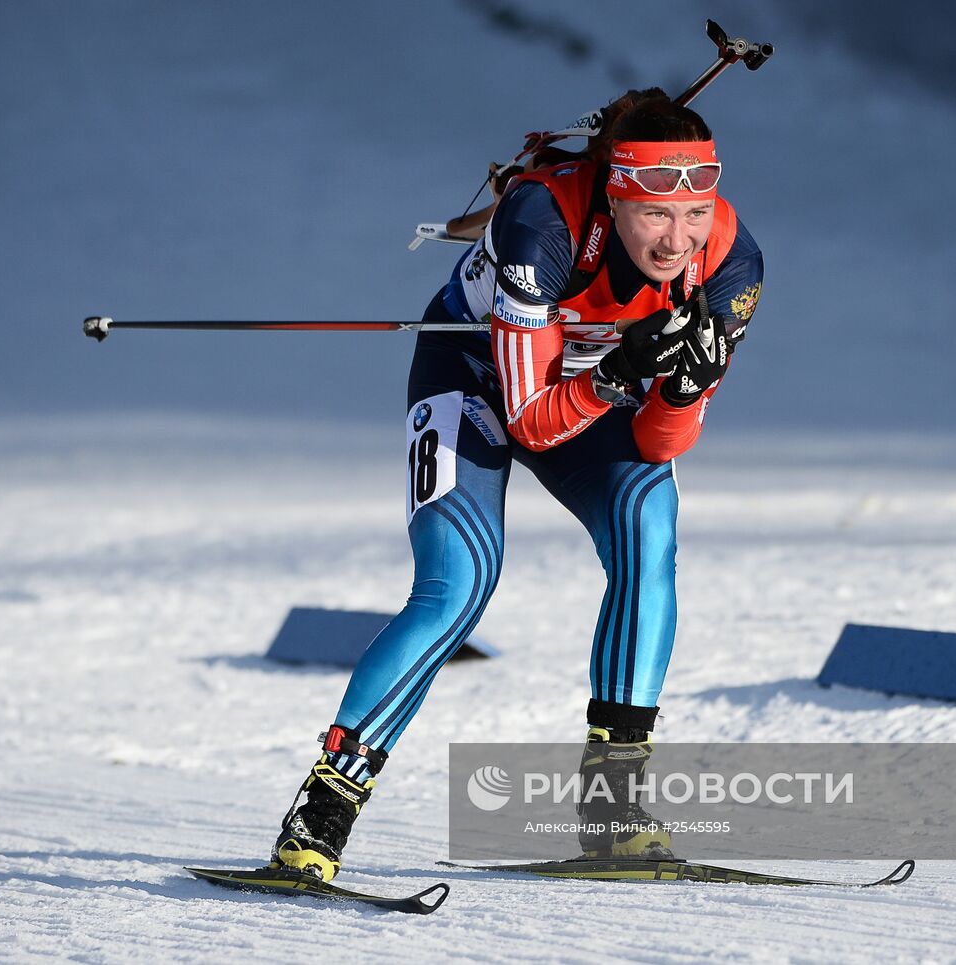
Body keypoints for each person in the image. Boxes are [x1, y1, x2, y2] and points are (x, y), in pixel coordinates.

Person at [270, 89, 764, 880]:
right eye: (654, 216)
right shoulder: (542, 224)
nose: (677, 239)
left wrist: (680, 389)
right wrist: (619, 374)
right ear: (615, 193)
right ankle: (321, 813)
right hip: (474, 379)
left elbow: (661, 440)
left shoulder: (732, 260)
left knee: (649, 523)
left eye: (695, 213)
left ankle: (613, 807)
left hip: (585, 390)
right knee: (459, 581)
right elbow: (530, 419)